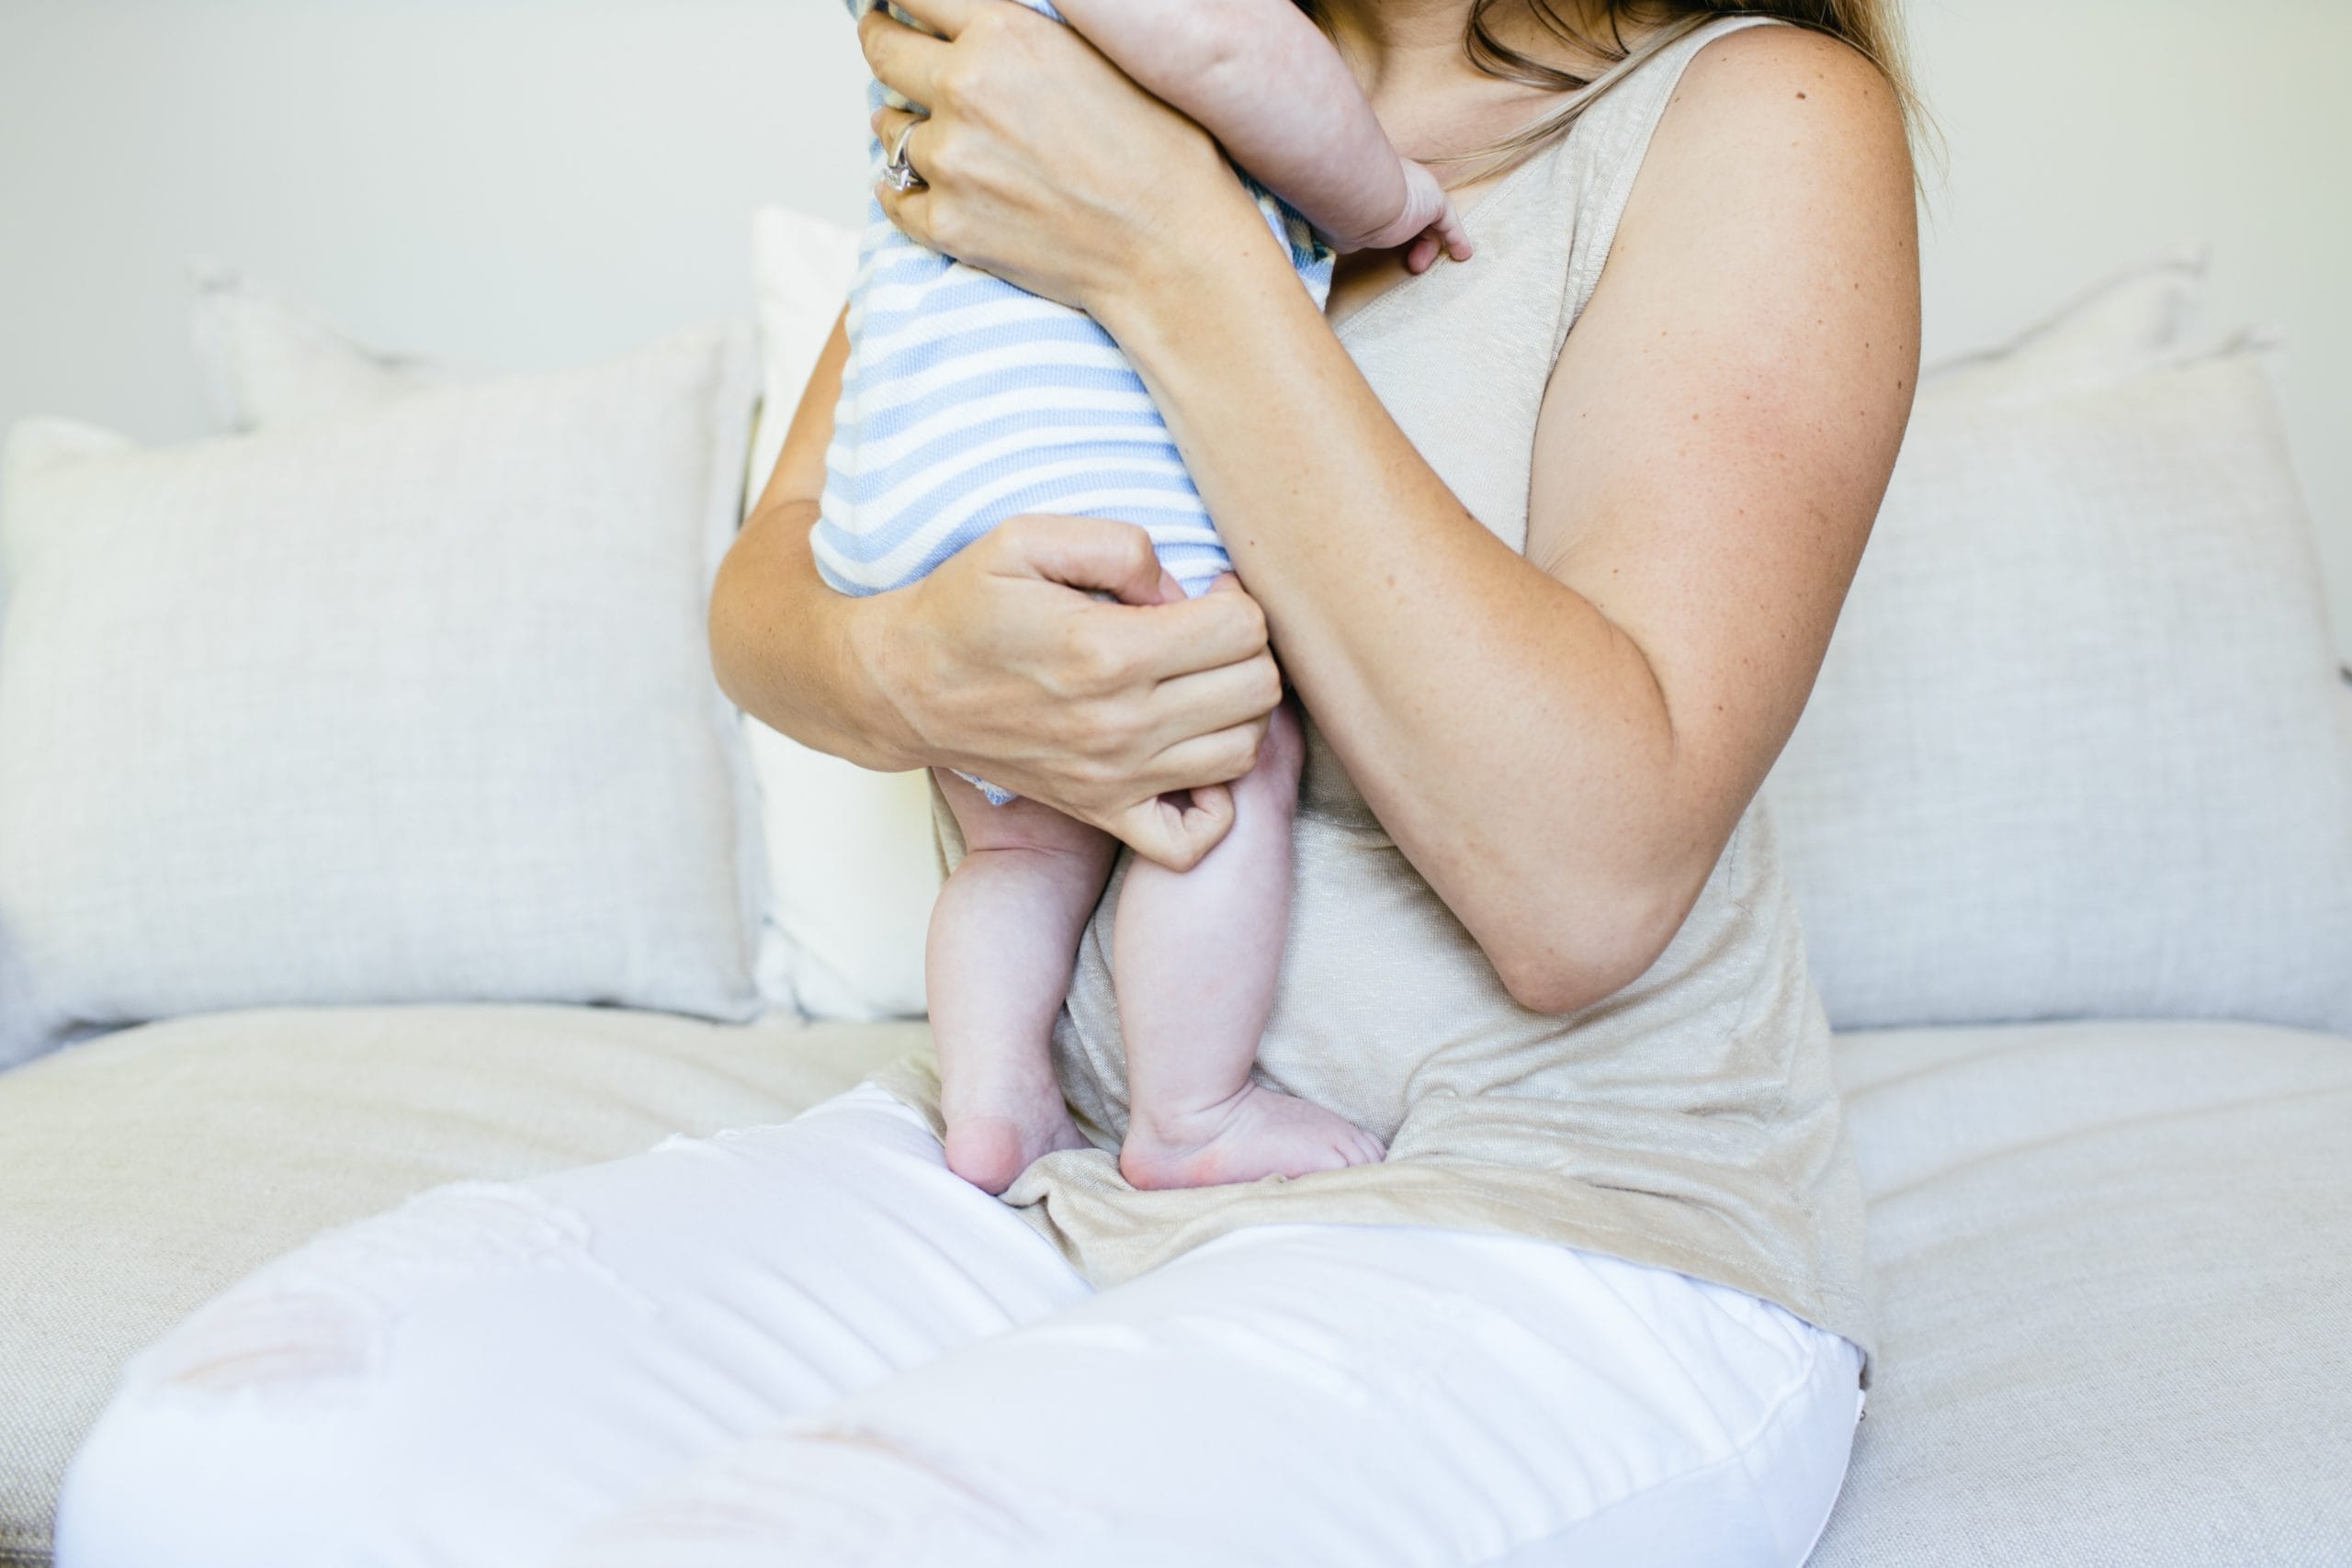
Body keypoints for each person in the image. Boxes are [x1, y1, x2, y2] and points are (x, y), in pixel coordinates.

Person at [56, 1, 1922, 1562]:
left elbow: (1579, 887)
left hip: (1544, 1216)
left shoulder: (1751, 108)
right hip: (1044, 1159)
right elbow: (774, 580)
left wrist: (1167, 243)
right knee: (219, 1469)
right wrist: (910, 659)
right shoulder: (1062, 72)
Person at [822, 0, 1471, 1197]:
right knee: (1224, 751)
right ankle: (1193, 1112)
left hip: (906, 467)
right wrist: (1383, 200)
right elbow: (1234, 50)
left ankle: (993, 1098)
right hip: (1059, 440)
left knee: (1019, 835)